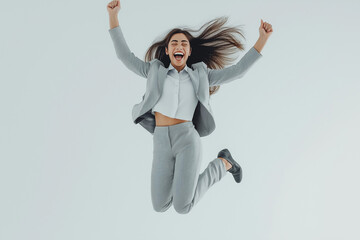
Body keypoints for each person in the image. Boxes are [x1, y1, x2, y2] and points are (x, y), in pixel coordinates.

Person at [107, 0, 273, 214]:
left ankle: (223, 163)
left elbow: (238, 71)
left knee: (182, 207)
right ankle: (220, 164)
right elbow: (124, 56)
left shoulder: (201, 75)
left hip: (187, 139)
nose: (179, 46)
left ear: (189, 51)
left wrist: (262, 40)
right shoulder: (154, 71)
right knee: (160, 205)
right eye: (174, 43)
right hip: (161, 140)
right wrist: (113, 16)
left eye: (184, 44)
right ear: (167, 51)